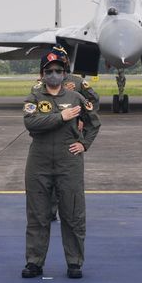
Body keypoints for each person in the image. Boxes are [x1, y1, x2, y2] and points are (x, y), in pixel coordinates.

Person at [21, 50, 100, 279]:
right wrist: (61, 118)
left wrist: (84, 144)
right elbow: (31, 122)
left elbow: (94, 122)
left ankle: (74, 262)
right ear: (42, 74)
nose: (54, 74)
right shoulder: (34, 97)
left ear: (64, 73)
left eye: (58, 71)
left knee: (73, 213)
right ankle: (34, 261)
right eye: (49, 71)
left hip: (69, 161)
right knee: (37, 214)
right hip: (39, 160)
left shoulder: (76, 98)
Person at [30, 45, 100, 222]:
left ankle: (67, 213)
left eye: (61, 60)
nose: (54, 73)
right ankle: (51, 211)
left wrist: (83, 119)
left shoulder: (77, 81)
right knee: (47, 182)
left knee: (68, 182)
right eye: (50, 68)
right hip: (45, 141)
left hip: (69, 138)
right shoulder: (40, 86)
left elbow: (93, 98)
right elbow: (32, 114)